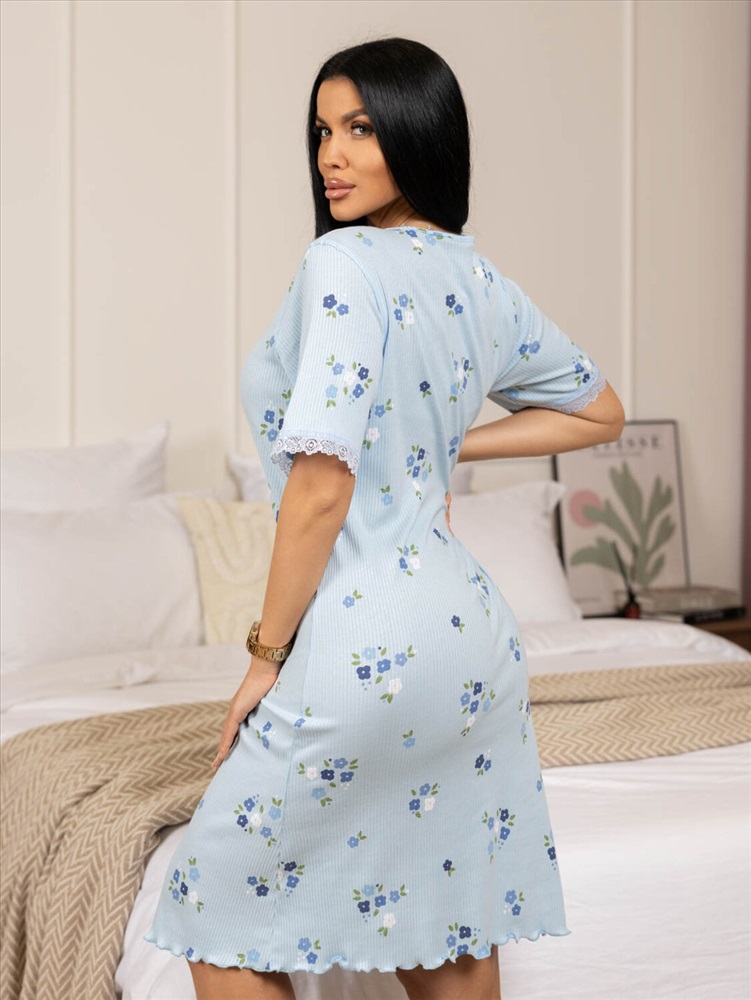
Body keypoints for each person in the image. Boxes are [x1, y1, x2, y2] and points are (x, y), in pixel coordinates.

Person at [145, 36, 625, 1000]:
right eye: (322, 131)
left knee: (216, 913)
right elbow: (599, 411)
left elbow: (320, 490)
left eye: (359, 128)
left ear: (417, 133)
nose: (331, 154)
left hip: (361, 641)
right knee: (445, 928)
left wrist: (264, 656)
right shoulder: (476, 278)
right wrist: (445, 445)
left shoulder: (341, 263)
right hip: (470, 644)